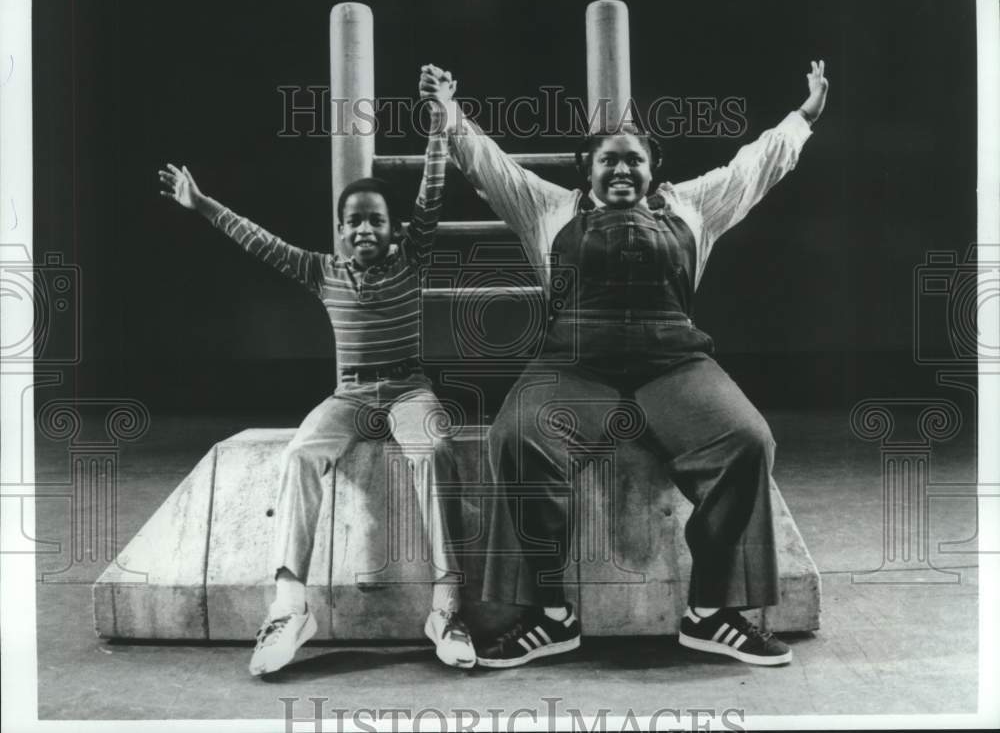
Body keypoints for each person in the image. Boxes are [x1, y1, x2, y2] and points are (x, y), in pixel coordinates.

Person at [418, 59, 828, 669]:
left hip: (675, 365)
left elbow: (755, 167)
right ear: (586, 170)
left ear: (652, 168)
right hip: (575, 367)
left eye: (633, 158)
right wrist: (449, 112)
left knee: (748, 441)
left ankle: (709, 614)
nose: (621, 168)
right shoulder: (548, 208)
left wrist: (803, 117)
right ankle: (551, 617)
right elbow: (489, 164)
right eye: (607, 159)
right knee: (516, 435)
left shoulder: (693, 207)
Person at [157, 124, 476, 675]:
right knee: (301, 454)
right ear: (341, 230)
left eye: (376, 219)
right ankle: (289, 607)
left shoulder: (411, 257)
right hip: (349, 394)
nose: (365, 228)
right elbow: (258, 240)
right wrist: (203, 204)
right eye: (355, 221)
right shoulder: (321, 271)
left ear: (393, 228)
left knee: (435, 452)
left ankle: (447, 608)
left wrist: (440, 125)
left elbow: (431, 193)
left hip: (408, 389)